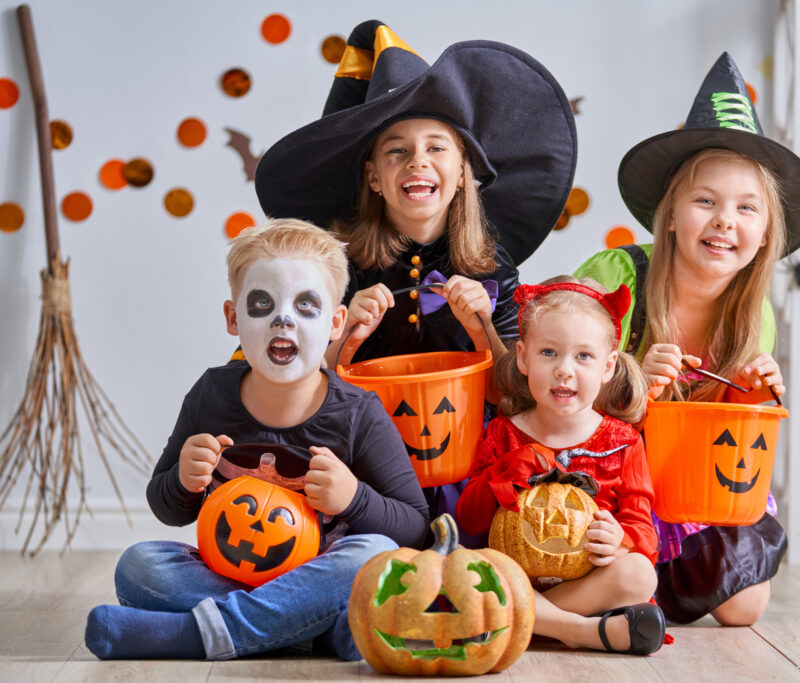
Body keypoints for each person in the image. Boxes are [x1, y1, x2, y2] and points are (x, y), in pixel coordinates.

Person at [254, 19, 577, 544]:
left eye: (436, 147)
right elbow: (296, 391)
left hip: (468, 463)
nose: (417, 161)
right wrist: (343, 338)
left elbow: (516, 396)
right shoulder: (335, 265)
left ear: (464, 170)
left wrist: (480, 329)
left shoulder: (495, 268)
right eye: (397, 150)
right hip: (364, 471)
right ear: (374, 177)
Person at [84, 219, 430, 661]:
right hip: (228, 573)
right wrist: (183, 480)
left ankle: (193, 636)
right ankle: (311, 631)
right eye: (262, 303)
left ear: (335, 322)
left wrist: (354, 499)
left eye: (306, 305)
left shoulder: (358, 412)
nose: (282, 319)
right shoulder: (212, 394)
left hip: (322, 573)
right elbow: (164, 507)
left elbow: (416, 528)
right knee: (139, 565)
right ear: (233, 318)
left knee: (374, 554)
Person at [575, 53, 800, 626]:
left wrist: (753, 397)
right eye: (705, 201)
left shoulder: (752, 315)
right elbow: (547, 378)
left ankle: (647, 577)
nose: (724, 221)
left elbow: (726, 441)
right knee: (617, 577)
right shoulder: (615, 277)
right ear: (669, 215)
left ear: (764, 235)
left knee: (744, 606)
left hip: (687, 485)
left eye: (745, 208)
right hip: (608, 476)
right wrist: (631, 381)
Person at [456, 277, 666, 656]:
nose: (564, 370)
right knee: (471, 565)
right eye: (549, 353)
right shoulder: (502, 434)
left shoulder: (623, 441)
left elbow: (642, 526)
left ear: (608, 366)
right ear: (523, 357)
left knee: (640, 573)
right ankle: (578, 631)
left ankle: (524, 622)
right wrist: (510, 468)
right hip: (516, 575)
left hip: (591, 584)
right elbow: (470, 519)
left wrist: (621, 541)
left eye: (583, 356)